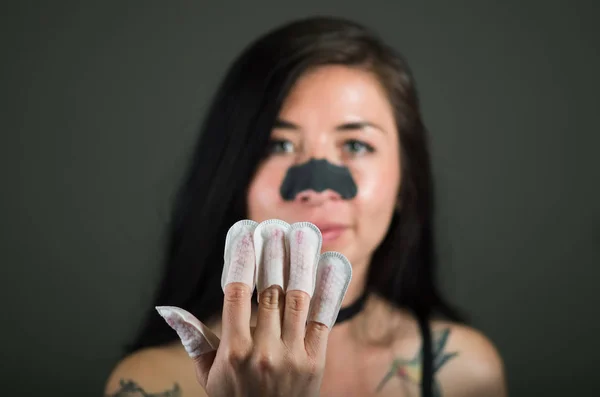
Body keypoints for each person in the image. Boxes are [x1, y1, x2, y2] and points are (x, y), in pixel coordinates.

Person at [104, 16, 507, 397]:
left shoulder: (466, 374)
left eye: (355, 145)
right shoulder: (149, 383)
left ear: (406, 181)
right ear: (232, 176)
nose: (315, 188)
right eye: (278, 144)